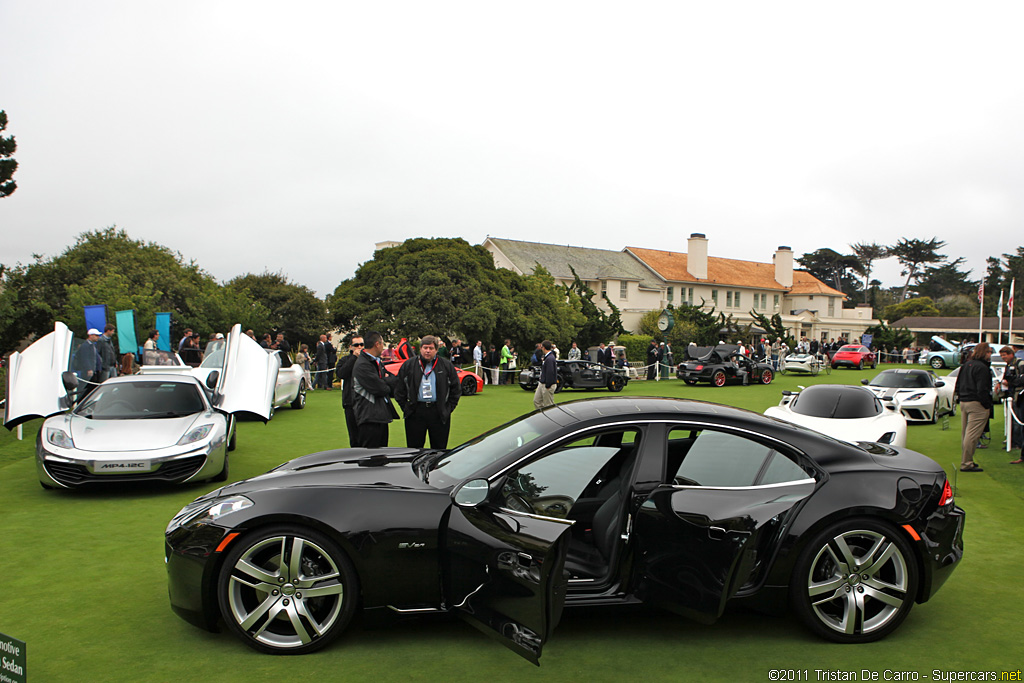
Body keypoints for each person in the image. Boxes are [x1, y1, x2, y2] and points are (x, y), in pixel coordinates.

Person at [395, 336, 461, 449]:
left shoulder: (446, 365)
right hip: (416, 411)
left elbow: (456, 389)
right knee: (414, 450)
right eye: (425, 348)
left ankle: (436, 468)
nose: (428, 351)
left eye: (431, 348)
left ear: (436, 349)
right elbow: (399, 389)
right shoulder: (409, 365)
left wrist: (448, 408)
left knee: (439, 449)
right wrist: (406, 408)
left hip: (438, 412)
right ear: (420, 349)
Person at [351, 331, 399, 447]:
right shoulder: (363, 364)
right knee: (370, 458)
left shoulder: (376, 361)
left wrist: (385, 380)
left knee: (382, 454)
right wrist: (386, 381)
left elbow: (393, 380)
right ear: (377, 344)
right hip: (369, 418)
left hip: (379, 416)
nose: (383, 347)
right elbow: (381, 389)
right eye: (382, 344)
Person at [956, 342, 994, 472]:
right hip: (976, 402)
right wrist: (986, 404)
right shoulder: (982, 368)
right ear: (984, 352)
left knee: (966, 433)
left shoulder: (967, 365)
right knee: (972, 435)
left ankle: (967, 460)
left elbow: (958, 383)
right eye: (989, 352)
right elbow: (982, 388)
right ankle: (966, 463)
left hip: (965, 401)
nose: (990, 354)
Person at [335, 336, 364, 447]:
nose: (359, 347)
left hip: (365, 404)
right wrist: (354, 357)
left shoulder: (367, 359)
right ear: (350, 347)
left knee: (366, 436)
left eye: (361, 344)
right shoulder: (345, 360)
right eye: (356, 345)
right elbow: (341, 374)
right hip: (350, 403)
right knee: (354, 437)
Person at [998, 345, 1024, 463]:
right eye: (1002, 356)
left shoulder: (1020, 363)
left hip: (1019, 396)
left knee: (1018, 420)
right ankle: (1012, 441)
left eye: (1004, 355)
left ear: (1011, 354)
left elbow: (1021, 379)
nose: (1003, 358)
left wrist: (1011, 383)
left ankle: (1018, 443)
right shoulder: (1008, 365)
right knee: (1012, 420)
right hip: (1011, 395)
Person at [73, 329, 103, 402]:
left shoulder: (92, 346)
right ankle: (80, 401)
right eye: (96, 335)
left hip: (94, 370)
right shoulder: (85, 346)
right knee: (85, 388)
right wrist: (89, 369)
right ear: (90, 335)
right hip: (87, 371)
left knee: (92, 388)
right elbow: (85, 358)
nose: (98, 337)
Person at [533, 340, 557, 411]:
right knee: (537, 401)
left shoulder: (550, 358)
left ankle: (550, 419)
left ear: (543, 347)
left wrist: (548, 385)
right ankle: (542, 416)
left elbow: (550, 372)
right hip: (542, 382)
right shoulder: (547, 357)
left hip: (547, 384)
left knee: (548, 405)